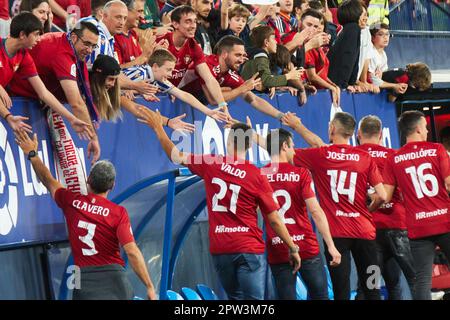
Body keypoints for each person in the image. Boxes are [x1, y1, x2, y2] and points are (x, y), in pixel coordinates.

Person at [138, 108, 301, 300]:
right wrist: (292, 247)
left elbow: (175, 155)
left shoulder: (212, 163)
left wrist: (158, 128)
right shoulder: (256, 176)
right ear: (249, 147)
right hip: (248, 248)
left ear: (229, 141)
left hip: (221, 249)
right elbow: (274, 220)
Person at [15, 130, 157, 300]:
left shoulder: (71, 202)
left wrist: (32, 154)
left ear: (88, 180)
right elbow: (132, 251)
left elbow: (48, 179)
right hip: (114, 280)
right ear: (112, 186)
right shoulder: (118, 213)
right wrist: (149, 286)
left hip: (83, 280)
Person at [281, 111, 387, 300]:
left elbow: (286, 154)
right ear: (353, 133)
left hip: (336, 235)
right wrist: (367, 210)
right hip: (366, 233)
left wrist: (295, 126)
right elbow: (383, 195)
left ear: (332, 129)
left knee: (340, 291)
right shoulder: (365, 158)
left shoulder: (320, 155)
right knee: (373, 287)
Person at [8, 20, 101, 194]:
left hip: (35, 96)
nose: (89, 50)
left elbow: (48, 94)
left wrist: (73, 118)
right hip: (16, 98)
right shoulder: (61, 54)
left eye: (93, 46)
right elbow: (76, 103)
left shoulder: (65, 42)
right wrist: (93, 138)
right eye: (87, 44)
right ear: (74, 37)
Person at [262, 128, 341, 300]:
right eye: (292, 147)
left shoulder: (260, 176)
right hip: (306, 246)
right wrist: (331, 245)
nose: (293, 151)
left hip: (278, 247)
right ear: (284, 146)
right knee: (321, 296)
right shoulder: (301, 173)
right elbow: (315, 211)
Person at [382, 110, 450, 300]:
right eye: (426, 128)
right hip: (445, 220)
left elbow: (385, 196)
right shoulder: (437, 149)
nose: (427, 131)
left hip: (418, 227)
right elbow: (449, 183)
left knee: (422, 279)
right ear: (419, 129)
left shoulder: (394, 158)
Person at [355, 115, 416, 300]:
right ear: (381, 134)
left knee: (369, 286)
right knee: (404, 281)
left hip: (370, 233)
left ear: (358, 134)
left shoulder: (353, 156)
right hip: (397, 229)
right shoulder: (394, 155)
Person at [1, 12, 91, 138]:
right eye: (36, 34)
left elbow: (43, 93)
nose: (39, 39)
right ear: (22, 34)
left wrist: (71, 118)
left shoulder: (24, 57)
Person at [182, 35, 287, 119]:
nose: (241, 60)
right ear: (224, 54)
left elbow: (254, 99)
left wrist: (281, 116)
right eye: (238, 55)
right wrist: (242, 89)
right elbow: (213, 100)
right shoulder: (207, 64)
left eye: (243, 55)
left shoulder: (229, 74)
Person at [89, 53, 196, 134]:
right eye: (110, 79)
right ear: (98, 76)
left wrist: (167, 122)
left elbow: (137, 109)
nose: (113, 84)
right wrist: (134, 87)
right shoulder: (83, 87)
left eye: (116, 80)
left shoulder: (111, 90)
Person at [155, 5, 231, 116]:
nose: (193, 26)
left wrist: (223, 105)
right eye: (188, 22)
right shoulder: (160, 40)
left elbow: (209, 79)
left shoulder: (193, 46)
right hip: (152, 94)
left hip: (171, 92)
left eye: (195, 21)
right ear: (175, 24)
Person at [122, 49, 228, 121]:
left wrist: (208, 111)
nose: (170, 75)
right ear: (155, 66)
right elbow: (111, 82)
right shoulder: (141, 73)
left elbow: (183, 95)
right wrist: (127, 88)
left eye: (172, 70)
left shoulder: (158, 79)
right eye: (168, 70)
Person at [80, 0, 158, 97]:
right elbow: (102, 76)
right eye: (118, 17)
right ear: (104, 15)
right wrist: (134, 86)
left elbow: (114, 70)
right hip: (80, 86)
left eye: (124, 18)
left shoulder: (106, 34)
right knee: (144, 72)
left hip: (87, 82)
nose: (122, 22)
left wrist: (135, 87)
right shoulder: (99, 38)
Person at [241, 25, 303, 94]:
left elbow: (263, 79)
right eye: (273, 39)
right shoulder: (261, 56)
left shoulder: (257, 54)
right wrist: (289, 76)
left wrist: (274, 86)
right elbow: (267, 81)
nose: (276, 42)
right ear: (266, 42)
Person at [368, 23, 408, 95]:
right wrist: (394, 86)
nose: (385, 37)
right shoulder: (371, 53)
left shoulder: (383, 55)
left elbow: (382, 77)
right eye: (381, 34)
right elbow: (372, 80)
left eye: (387, 34)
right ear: (372, 38)